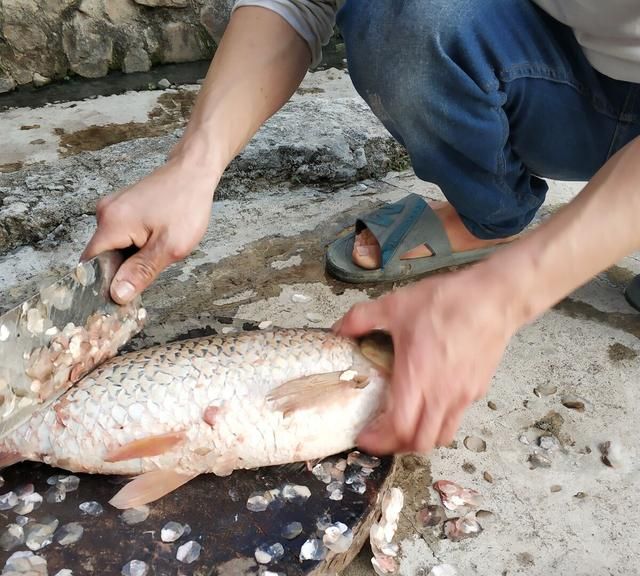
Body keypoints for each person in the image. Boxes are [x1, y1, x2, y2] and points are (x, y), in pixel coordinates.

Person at [82, 0, 640, 456]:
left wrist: (508, 292)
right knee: (405, 12)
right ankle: (493, 216)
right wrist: (195, 163)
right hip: (558, 64)